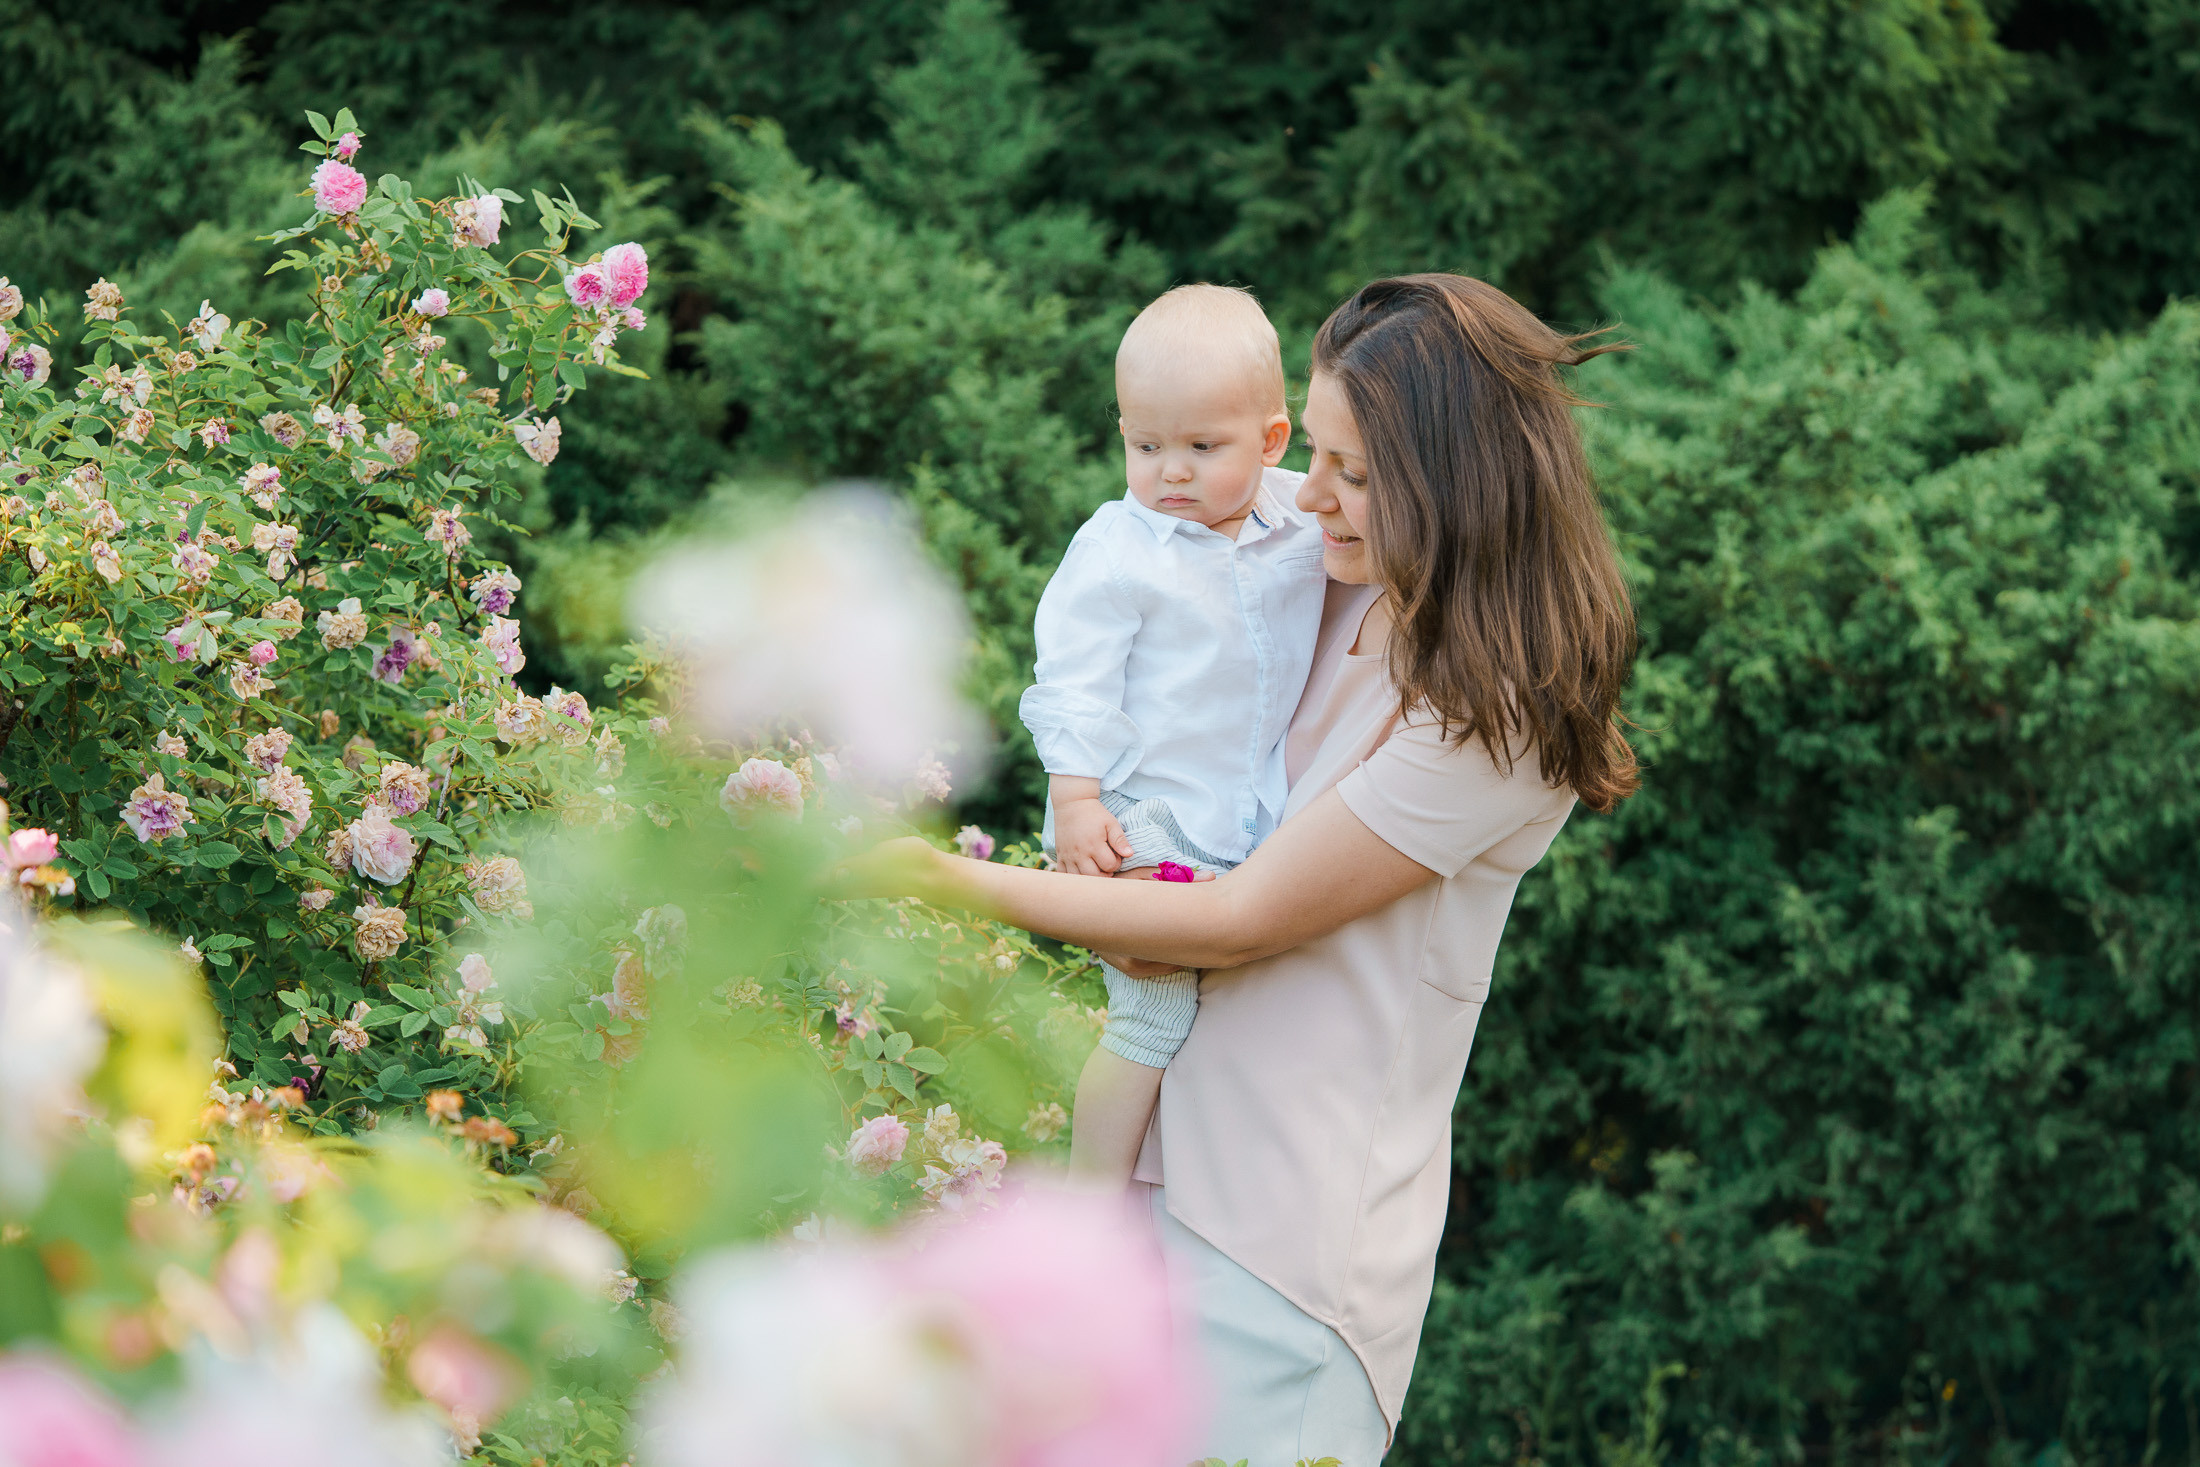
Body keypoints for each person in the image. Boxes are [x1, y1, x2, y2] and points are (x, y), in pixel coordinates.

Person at [849, 274, 1637, 1463]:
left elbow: (1239, 920)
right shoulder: (1321, 565)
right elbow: (1155, 552)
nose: (1306, 497)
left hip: (1283, 1248)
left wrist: (934, 880)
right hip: (1154, 1165)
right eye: (1308, 455)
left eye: (1354, 474)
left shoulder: (1499, 717)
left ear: (1456, 489)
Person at [1020, 282, 1327, 1187]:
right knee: (1151, 1018)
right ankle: (1092, 1197)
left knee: (1228, 1006)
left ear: (1272, 441)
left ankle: (1196, 1190)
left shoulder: (1301, 521)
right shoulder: (1119, 549)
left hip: (1243, 822)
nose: (1171, 473)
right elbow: (1073, 680)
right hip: (1133, 810)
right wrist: (1073, 799)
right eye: (1145, 445)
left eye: (1201, 446)